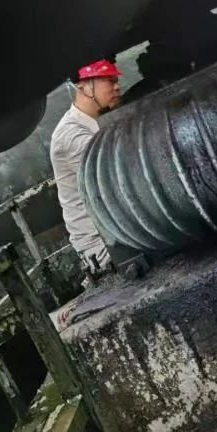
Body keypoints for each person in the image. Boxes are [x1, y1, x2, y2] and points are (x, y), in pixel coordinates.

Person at [50, 59, 121, 272]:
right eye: (109, 81)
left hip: (116, 228)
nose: (117, 87)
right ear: (83, 87)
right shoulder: (71, 135)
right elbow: (114, 178)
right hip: (102, 245)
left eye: (116, 80)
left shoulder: (100, 118)